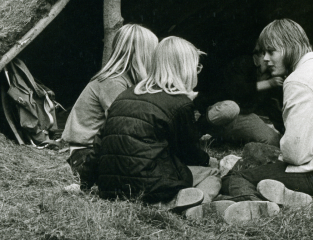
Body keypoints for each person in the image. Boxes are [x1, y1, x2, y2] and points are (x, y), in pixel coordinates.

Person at [219, 19, 313, 222]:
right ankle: (288, 196)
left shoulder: (299, 80)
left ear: (288, 47)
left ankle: (263, 207)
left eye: (271, 52)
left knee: (237, 178)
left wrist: (277, 160)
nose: (265, 59)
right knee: (268, 163)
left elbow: (296, 154)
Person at [81, 36, 218, 208]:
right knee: (213, 174)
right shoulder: (180, 103)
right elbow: (187, 152)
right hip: (150, 187)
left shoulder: (125, 95)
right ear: (186, 68)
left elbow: (100, 143)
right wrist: (207, 161)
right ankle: (187, 204)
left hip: (110, 188)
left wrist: (85, 183)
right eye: (196, 67)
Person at [62, 24, 158, 188]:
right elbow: (123, 129)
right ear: (141, 54)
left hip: (98, 150)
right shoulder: (113, 82)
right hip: (86, 156)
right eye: (153, 53)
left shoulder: (124, 80)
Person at [194, 49, 284, 147]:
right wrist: (268, 83)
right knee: (230, 108)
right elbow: (237, 90)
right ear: (260, 55)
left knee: (273, 140)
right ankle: (195, 132)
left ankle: (223, 139)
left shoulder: (270, 75)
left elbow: (271, 107)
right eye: (267, 54)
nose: (268, 60)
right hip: (219, 110)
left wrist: (284, 131)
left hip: (242, 117)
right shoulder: (243, 63)